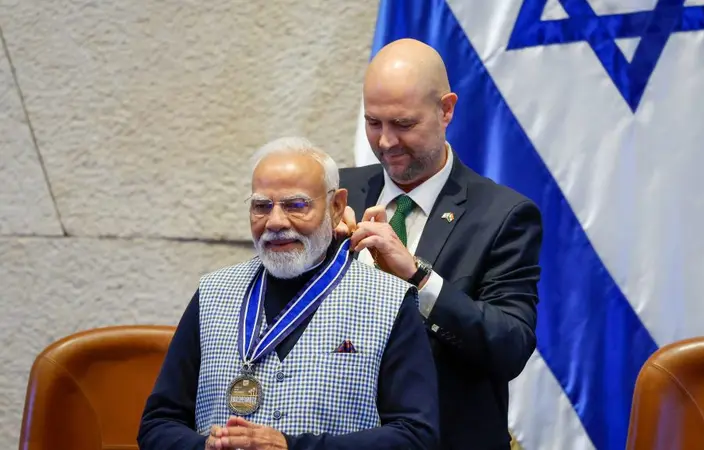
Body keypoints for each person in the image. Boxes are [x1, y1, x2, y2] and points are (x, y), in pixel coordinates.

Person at [138, 137, 439, 450]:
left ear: (336, 207)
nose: (276, 222)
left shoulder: (389, 300)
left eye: (296, 205)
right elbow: (158, 423)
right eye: (261, 206)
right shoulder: (213, 293)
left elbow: (416, 435)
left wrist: (292, 447)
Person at [337, 38, 543, 450]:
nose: (386, 142)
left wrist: (419, 277)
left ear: (446, 110)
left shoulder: (504, 215)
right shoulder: (337, 193)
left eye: (403, 124)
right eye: (373, 122)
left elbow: (510, 346)